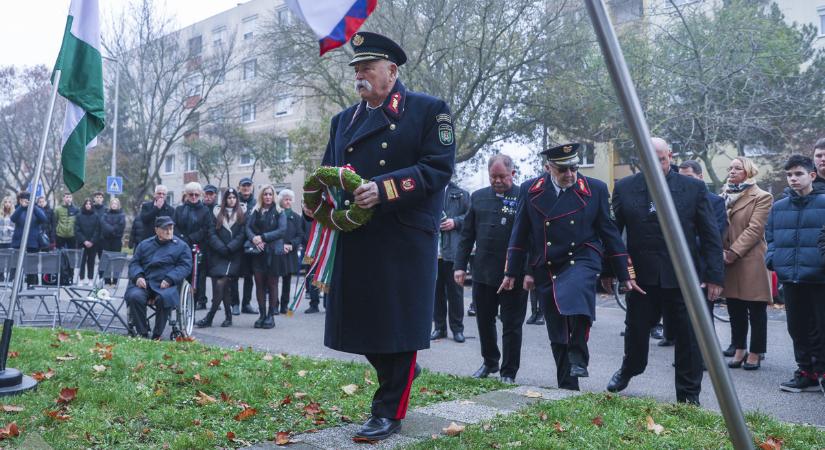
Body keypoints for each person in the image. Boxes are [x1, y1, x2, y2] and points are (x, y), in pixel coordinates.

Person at [304, 32, 454, 441]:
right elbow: (329, 171)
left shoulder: (428, 110)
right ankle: (400, 371)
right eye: (356, 68)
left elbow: (437, 169)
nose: (359, 75)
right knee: (363, 321)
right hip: (357, 235)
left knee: (399, 325)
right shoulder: (344, 120)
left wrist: (385, 188)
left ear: (392, 69)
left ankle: (388, 411)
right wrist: (315, 200)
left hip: (403, 237)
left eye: (367, 67)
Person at [503, 143, 636, 391]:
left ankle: (579, 353)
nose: (570, 175)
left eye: (574, 168)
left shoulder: (594, 189)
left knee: (575, 296)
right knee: (557, 328)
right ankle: (568, 387)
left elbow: (609, 232)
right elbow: (519, 234)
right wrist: (511, 272)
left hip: (582, 256)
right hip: (548, 264)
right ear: (548, 168)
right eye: (563, 170)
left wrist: (624, 272)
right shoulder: (530, 190)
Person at [606, 137, 723, 405]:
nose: (657, 165)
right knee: (636, 330)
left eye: (661, 158)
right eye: (650, 159)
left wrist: (714, 276)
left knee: (689, 338)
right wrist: (611, 271)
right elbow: (613, 234)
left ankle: (688, 394)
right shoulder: (624, 188)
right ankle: (630, 368)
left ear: (669, 156)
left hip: (684, 278)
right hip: (642, 278)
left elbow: (710, 235)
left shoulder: (693, 188)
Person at [455, 154, 527, 383]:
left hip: (512, 275)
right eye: (493, 176)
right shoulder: (478, 198)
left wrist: (524, 272)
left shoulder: (523, 197)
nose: (497, 181)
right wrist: (459, 266)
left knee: (511, 325)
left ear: (512, 174)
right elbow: (467, 236)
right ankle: (490, 362)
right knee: (484, 321)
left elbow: (531, 238)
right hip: (483, 273)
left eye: (502, 176)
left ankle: (508, 371)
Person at [651, 160, 728, 348]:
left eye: (690, 178)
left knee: (702, 312)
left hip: (700, 264)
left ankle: (705, 354)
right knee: (676, 310)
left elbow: (713, 234)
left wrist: (683, 244)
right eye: (682, 177)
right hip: (675, 264)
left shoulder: (716, 201)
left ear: (700, 177)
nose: (685, 182)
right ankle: (675, 340)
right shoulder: (672, 197)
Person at [768, 155, 825, 393]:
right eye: (789, 175)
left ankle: (822, 372)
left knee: (821, 328)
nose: (793, 178)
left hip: (819, 278)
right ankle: (806, 372)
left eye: (798, 174)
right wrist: (772, 260)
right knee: (797, 327)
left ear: (812, 175)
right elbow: (770, 238)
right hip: (790, 278)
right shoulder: (779, 207)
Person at [719, 157, 772, 370]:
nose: (732, 171)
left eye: (737, 168)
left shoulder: (762, 196)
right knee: (734, 307)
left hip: (750, 258)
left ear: (748, 172)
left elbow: (755, 229)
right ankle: (739, 348)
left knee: (756, 307)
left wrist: (733, 253)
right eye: (730, 168)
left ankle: (756, 351)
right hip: (726, 257)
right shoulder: (722, 196)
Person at [125, 216, 192, 339]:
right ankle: (142, 332)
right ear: (156, 230)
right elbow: (134, 263)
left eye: (171, 228)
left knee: (163, 298)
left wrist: (170, 278)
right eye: (165, 229)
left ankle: (157, 334)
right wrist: (138, 276)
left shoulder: (181, 246)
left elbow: (185, 266)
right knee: (135, 296)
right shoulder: (144, 244)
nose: (169, 231)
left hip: (165, 283)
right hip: (145, 282)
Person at [198, 188, 245, 328]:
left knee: (220, 283)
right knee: (223, 287)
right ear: (224, 199)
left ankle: (210, 317)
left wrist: (230, 247)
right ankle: (228, 317)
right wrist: (221, 248)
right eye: (229, 197)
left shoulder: (242, 213)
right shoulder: (216, 213)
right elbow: (211, 233)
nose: (231, 200)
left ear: (237, 199)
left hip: (234, 255)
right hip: (219, 254)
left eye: (234, 197)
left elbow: (242, 234)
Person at [433, 180, 469, 343]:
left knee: (455, 292)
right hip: (433, 252)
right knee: (436, 292)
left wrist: (455, 222)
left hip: (452, 251)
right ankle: (439, 328)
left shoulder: (461, 194)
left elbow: (470, 216)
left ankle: (457, 329)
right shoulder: (429, 190)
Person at [246, 185, 286, 329]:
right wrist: (254, 239)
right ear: (261, 196)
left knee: (272, 284)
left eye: (270, 194)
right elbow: (247, 228)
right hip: (258, 253)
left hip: (274, 252)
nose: (267, 196)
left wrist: (262, 237)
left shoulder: (280, 211)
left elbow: (281, 231)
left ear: (273, 195)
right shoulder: (255, 211)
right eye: (265, 194)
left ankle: (271, 316)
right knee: (259, 284)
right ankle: (262, 314)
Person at [173, 182, 211, 310]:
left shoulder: (205, 210)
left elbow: (206, 228)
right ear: (186, 195)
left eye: (196, 194)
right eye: (191, 194)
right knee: (182, 276)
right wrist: (183, 239)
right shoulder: (179, 210)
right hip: (181, 248)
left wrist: (191, 238)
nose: (193, 197)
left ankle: (192, 307)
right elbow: (175, 226)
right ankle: (179, 305)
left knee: (196, 279)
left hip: (198, 249)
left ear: (200, 195)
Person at [275, 189, 304, 314]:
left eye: (290, 199)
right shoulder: (275, 214)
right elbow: (272, 232)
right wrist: (281, 245)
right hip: (277, 252)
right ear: (280, 200)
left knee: (287, 280)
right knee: (274, 281)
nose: (288, 202)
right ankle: (274, 305)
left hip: (290, 253)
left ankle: (284, 305)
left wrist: (291, 245)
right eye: (285, 199)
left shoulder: (296, 217)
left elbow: (300, 235)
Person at [232, 177, 257, 315]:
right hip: (236, 243)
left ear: (252, 187)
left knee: (249, 276)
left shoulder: (256, 202)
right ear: (239, 187)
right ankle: (234, 303)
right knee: (234, 276)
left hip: (251, 244)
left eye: (248, 186)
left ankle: (246, 304)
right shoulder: (233, 201)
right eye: (243, 186)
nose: (246, 188)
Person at [75, 199, 100, 285]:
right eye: (86, 204)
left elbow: (97, 230)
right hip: (82, 243)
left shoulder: (96, 216)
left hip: (93, 244)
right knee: (81, 261)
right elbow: (77, 230)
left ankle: (90, 279)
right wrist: (84, 241)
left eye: (90, 204)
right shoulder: (79, 216)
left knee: (91, 261)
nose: (88, 205)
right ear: (84, 205)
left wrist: (92, 241)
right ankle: (81, 279)